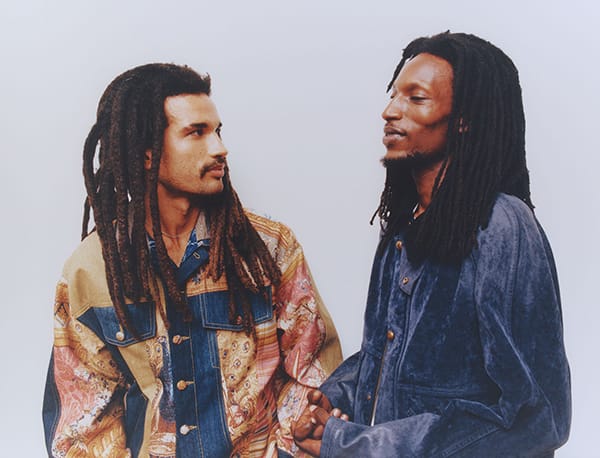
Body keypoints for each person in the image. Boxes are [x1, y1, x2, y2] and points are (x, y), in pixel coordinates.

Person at [42, 63, 342, 458]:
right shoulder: (91, 271)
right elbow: (82, 426)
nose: (219, 148)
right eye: (196, 132)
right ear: (147, 153)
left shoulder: (268, 250)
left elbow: (315, 377)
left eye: (217, 131)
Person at [292, 31, 571, 457]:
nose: (390, 111)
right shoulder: (402, 229)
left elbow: (537, 416)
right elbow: (387, 358)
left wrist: (363, 446)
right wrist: (335, 397)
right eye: (394, 95)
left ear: (464, 120)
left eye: (416, 98)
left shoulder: (501, 226)